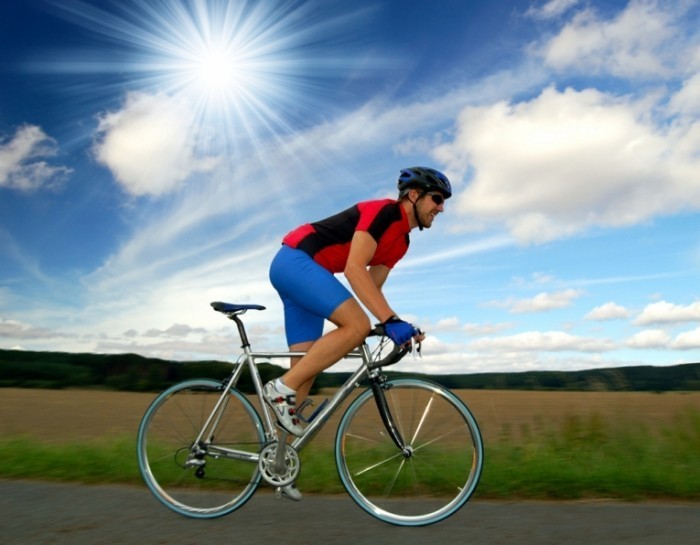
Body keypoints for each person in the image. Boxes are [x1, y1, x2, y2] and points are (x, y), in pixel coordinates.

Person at [265, 166, 451, 499]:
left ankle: (278, 467)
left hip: (310, 275)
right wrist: (387, 320)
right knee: (354, 326)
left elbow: (371, 289)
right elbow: (354, 270)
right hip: (296, 260)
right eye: (437, 199)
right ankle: (279, 390)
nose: (441, 208)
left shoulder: (402, 242)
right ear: (413, 195)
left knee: (304, 371)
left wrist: (393, 324)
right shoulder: (383, 212)